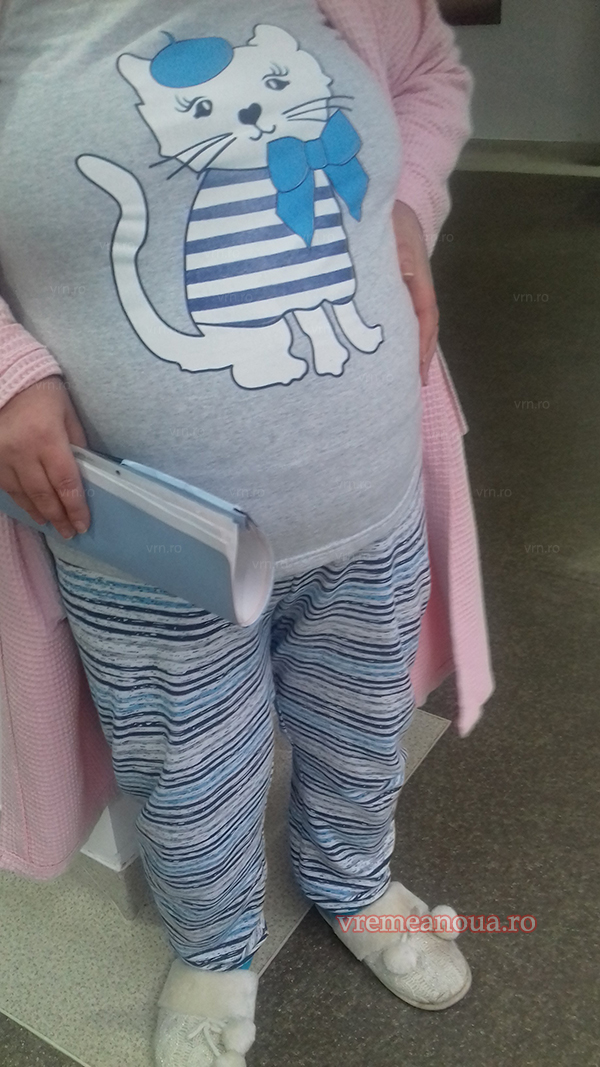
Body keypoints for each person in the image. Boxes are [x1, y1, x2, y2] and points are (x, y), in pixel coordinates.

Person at [0, 1, 493, 1063]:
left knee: (364, 727)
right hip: (152, 548)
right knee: (188, 770)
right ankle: (215, 946)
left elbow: (428, 75)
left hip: (370, 501)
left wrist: (408, 203)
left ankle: (351, 876)